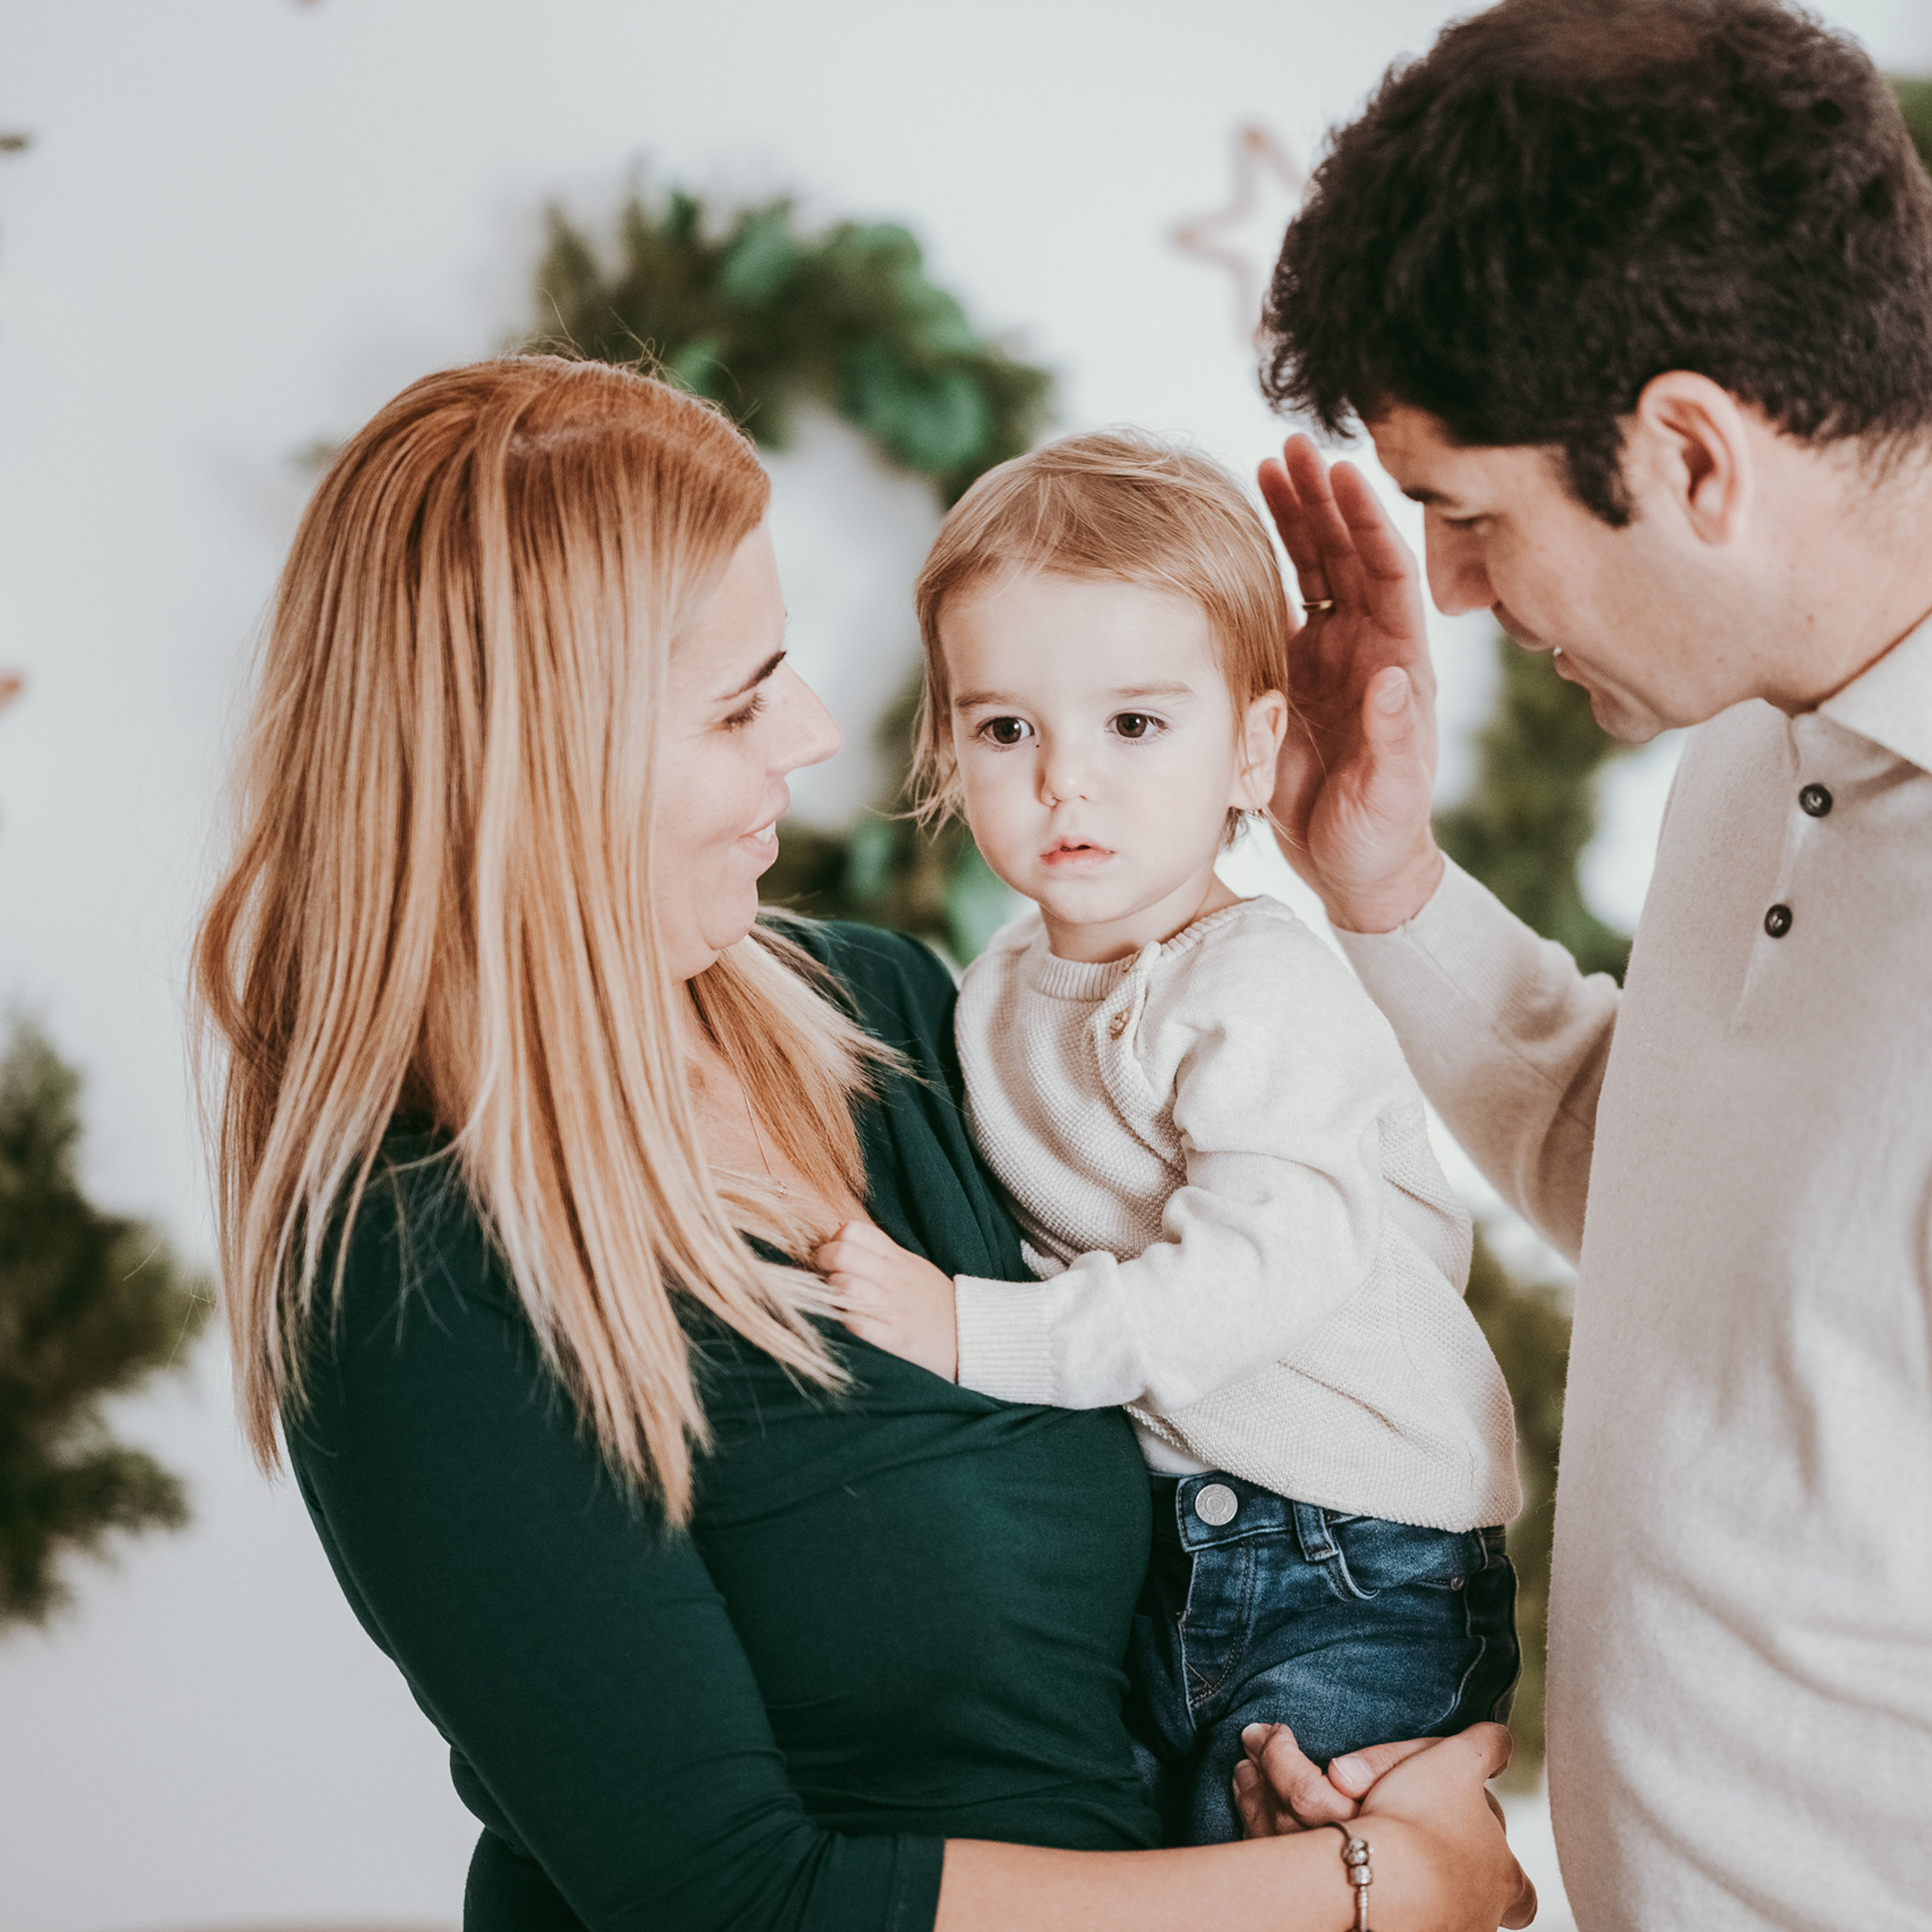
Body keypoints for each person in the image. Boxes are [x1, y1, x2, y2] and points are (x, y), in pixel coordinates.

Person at [189, 355, 1531, 1932]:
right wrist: (1352, 1885)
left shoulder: (883, 1017)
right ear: (546, 765)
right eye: (742, 695)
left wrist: (1311, 1777)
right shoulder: (411, 1266)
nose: (819, 733)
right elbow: (729, 1895)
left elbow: (1244, 1293)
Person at [1228, 1, 1932, 1926]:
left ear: (1688, 451)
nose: (1447, 589)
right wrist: (1381, 883)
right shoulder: (1760, 739)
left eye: (1470, 516)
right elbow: (1699, 1201)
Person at [817, 429, 1521, 1848]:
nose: (1067, 781)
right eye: (1008, 729)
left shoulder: (1248, 985)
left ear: (1253, 747)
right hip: (1172, 1538)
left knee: (1305, 1871)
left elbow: (1252, 1275)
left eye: (1135, 725)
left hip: (1352, 1549)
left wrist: (968, 1330)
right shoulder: (1003, 988)